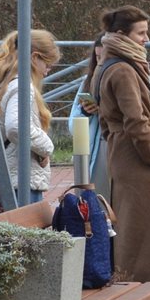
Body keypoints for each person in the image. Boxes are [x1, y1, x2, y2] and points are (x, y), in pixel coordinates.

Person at [94, 5, 150, 283]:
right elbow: (136, 121)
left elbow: (105, 119)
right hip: (138, 158)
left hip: (122, 153)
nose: (146, 39)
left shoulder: (106, 65)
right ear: (121, 34)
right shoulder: (123, 70)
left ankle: (132, 279)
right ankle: (145, 287)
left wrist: (114, 140)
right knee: (145, 229)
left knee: (131, 222)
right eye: (141, 33)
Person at [0, 28, 61, 214]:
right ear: (34, 58)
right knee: (23, 231)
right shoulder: (21, 86)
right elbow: (15, 127)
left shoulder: (3, 83)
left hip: (5, 179)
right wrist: (46, 147)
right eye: (48, 65)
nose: (47, 72)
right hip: (20, 182)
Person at [68, 34, 110, 196]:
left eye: (105, 58)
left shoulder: (125, 78)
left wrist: (105, 110)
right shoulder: (88, 82)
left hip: (116, 147)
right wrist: (85, 112)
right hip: (96, 151)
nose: (101, 63)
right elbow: (73, 126)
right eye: (98, 57)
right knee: (95, 200)